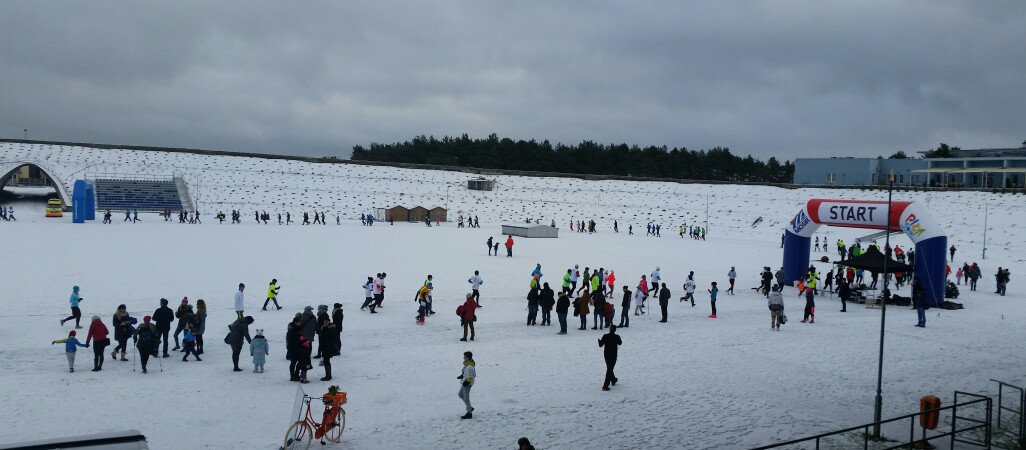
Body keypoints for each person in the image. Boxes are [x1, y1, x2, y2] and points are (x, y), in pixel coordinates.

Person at [598, 325, 622, 391]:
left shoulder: (605, 336)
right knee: (609, 369)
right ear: (615, 330)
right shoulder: (617, 336)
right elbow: (620, 343)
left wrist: (599, 342)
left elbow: (600, 345)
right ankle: (605, 385)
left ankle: (613, 379)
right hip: (613, 355)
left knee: (609, 368)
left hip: (606, 355)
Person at [457, 351, 476, 419]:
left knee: (466, 398)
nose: (463, 358)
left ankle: (469, 413)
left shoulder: (469, 367)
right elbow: (466, 374)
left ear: (468, 358)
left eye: (464, 357)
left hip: (467, 384)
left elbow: (470, 377)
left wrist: (466, 383)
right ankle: (470, 407)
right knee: (460, 395)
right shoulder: (467, 364)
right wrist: (462, 376)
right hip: (465, 382)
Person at [286, 315, 304, 382]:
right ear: (296, 322)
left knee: (299, 361)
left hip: (298, 348)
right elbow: (299, 338)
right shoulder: (292, 331)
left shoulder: (297, 329)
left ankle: (296, 373)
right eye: (299, 322)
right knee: (293, 362)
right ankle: (293, 375)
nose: (300, 323)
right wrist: (305, 342)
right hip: (293, 349)